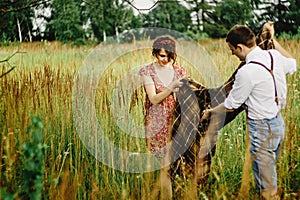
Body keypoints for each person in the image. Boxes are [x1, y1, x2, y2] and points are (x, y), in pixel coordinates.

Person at [201, 22, 297, 199]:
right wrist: (273, 40)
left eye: (232, 50)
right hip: (278, 125)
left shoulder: (246, 71)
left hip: (261, 130)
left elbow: (231, 105)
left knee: (267, 188)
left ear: (240, 47)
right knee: (269, 176)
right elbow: (293, 63)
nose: (232, 54)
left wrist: (210, 112)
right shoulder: (274, 56)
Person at [139, 36, 186, 199]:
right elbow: (153, 98)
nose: (165, 60)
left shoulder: (180, 71)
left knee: (178, 164)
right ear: (155, 54)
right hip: (157, 123)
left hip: (176, 122)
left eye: (169, 56)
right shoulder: (147, 72)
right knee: (165, 166)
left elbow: (184, 98)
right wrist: (171, 87)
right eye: (161, 56)